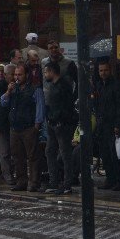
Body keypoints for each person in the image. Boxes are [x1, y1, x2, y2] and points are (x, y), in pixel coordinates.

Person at [1, 63, 45, 192]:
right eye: (15, 74)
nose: (17, 77)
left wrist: (37, 125)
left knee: (32, 156)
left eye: (20, 74)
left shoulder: (35, 89)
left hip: (29, 127)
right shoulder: (13, 89)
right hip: (15, 127)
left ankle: (33, 182)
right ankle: (21, 181)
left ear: (26, 75)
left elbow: (40, 108)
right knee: (17, 156)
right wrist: (8, 91)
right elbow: (3, 102)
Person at [42, 61, 78, 195]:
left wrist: (59, 119)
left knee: (65, 153)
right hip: (53, 123)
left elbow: (66, 106)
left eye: (46, 72)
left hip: (62, 124)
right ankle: (54, 181)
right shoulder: (53, 85)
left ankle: (67, 183)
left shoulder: (63, 86)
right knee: (50, 151)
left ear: (52, 72)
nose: (45, 75)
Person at [93, 59, 120, 191]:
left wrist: (118, 124)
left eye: (105, 70)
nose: (103, 73)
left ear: (110, 70)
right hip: (102, 125)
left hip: (113, 124)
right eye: (101, 70)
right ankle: (110, 179)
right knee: (105, 154)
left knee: (116, 154)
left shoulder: (117, 85)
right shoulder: (98, 85)